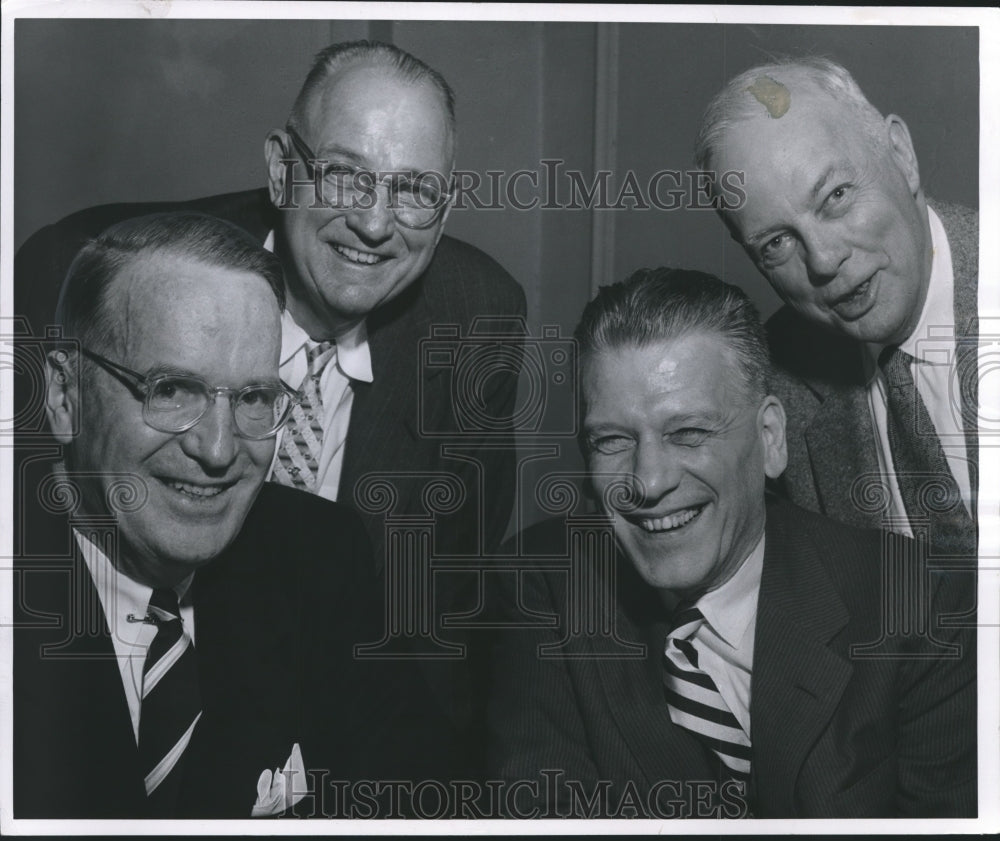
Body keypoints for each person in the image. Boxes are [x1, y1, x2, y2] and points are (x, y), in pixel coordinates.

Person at [15, 40, 526, 758]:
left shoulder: (477, 320)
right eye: (346, 176)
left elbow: (442, 614)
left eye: (412, 191)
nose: (376, 225)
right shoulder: (89, 272)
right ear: (283, 169)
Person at [486, 268, 975, 818]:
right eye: (612, 441)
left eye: (688, 432)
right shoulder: (544, 584)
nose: (647, 482)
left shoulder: (921, 607)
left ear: (770, 439)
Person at [13, 213, 451, 818]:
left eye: (253, 398)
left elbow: (412, 795)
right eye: (170, 390)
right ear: (65, 396)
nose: (219, 451)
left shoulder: (317, 557)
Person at [694, 57, 977, 559]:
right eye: (777, 242)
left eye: (837, 196)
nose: (824, 260)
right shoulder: (772, 384)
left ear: (901, 153)